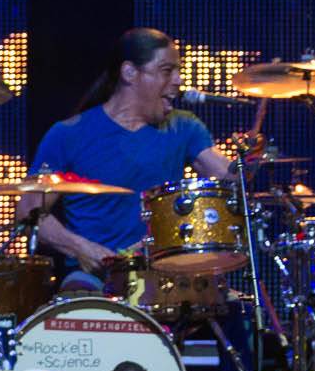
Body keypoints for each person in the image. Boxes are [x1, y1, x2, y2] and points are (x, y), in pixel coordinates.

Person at [17, 28, 236, 292]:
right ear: (130, 73)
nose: (178, 81)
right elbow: (28, 212)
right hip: (94, 279)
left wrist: (249, 158)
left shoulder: (184, 127)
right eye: (167, 71)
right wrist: (82, 249)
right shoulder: (68, 134)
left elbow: (230, 177)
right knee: (77, 299)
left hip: (165, 275)